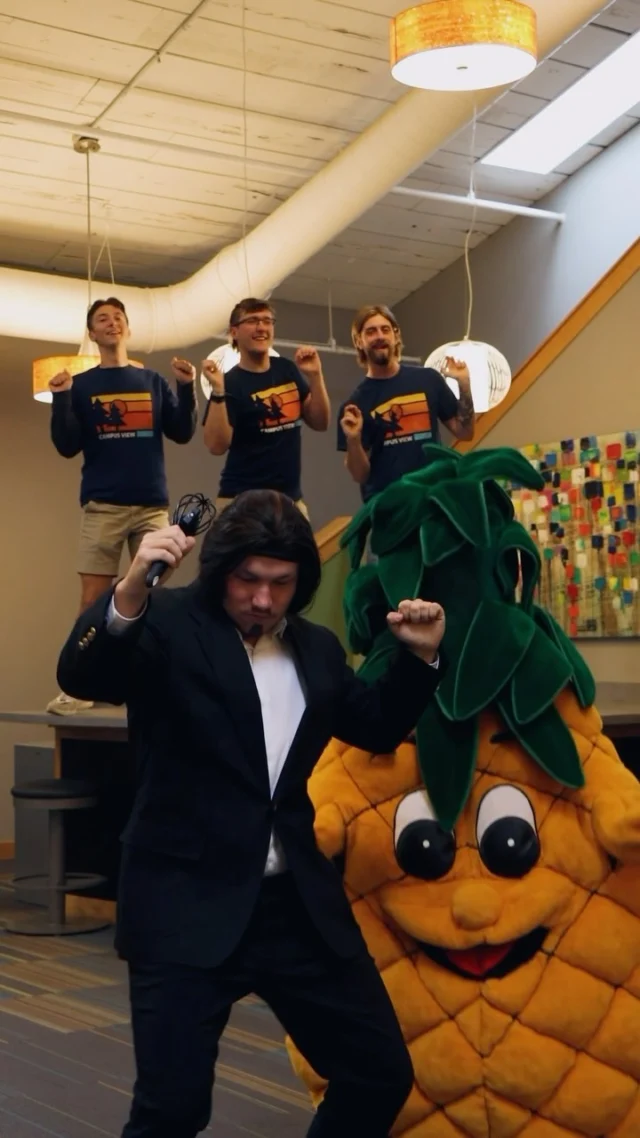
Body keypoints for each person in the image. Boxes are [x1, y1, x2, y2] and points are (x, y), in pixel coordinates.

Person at [57, 489, 446, 1138]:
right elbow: (82, 675)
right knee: (171, 1112)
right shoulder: (166, 622)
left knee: (378, 1074)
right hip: (184, 902)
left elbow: (376, 726)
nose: (263, 599)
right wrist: (130, 589)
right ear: (221, 572)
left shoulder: (316, 649)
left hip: (292, 906)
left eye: (281, 583)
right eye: (248, 580)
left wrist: (421, 656)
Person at [47, 296, 197, 715]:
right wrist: (60, 397)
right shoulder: (83, 386)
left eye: (117, 317)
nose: (111, 323)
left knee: (154, 597)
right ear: (92, 333)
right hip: (103, 506)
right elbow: (66, 445)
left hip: (151, 507)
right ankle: (80, 686)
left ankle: (152, 684)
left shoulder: (151, 381)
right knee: (93, 599)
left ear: (126, 328)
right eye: (102, 319)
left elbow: (182, 431)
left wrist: (186, 387)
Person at [202, 298, 330, 519]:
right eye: (252, 320)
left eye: (267, 321)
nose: (261, 327)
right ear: (234, 332)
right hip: (241, 502)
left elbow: (320, 422)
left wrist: (315, 376)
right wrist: (218, 390)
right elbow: (216, 446)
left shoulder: (287, 369)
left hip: (289, 500)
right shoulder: (229, 382)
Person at [337, 304, 476, 503]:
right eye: (371, 332)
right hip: (389, 506)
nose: (379, 336)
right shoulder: (354, 405)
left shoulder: (428, 379)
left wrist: (464, 384)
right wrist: (353, 439)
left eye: (385, 329)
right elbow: (360, 475)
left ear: (396, 336)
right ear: (359, 341)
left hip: (432, 499)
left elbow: (465, 432)